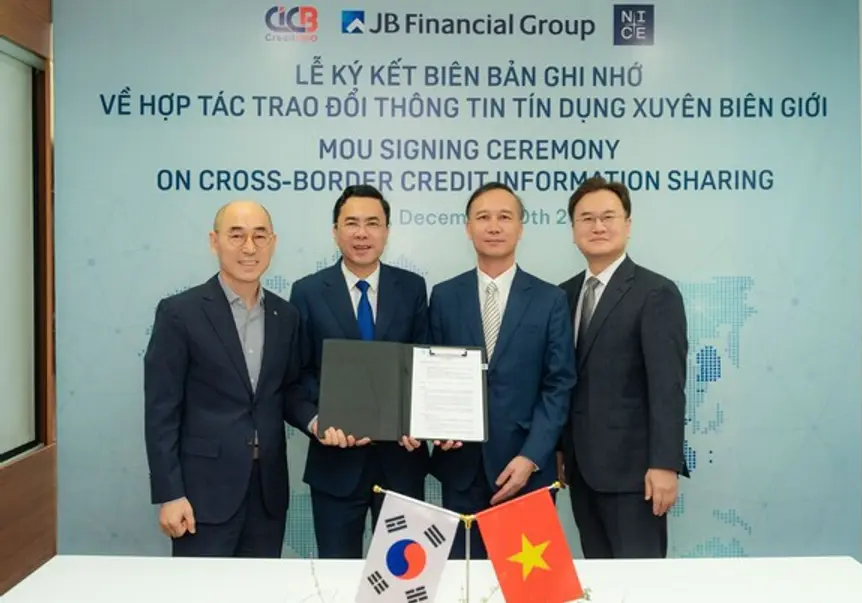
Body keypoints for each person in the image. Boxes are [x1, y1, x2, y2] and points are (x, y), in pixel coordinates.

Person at [143, 200, 317, 558]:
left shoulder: (286, 315)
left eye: (259, 236)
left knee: (261, 586)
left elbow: (286, 391)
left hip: (267, 494)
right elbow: (161, 411)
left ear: (273, 243)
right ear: (214, 241)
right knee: (200, 587)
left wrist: (316, 421)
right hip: (201, 496)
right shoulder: (180, 313)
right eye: (236, 236)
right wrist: (170, 494)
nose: (249, 247)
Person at [428, 182, 576, 560]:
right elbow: (433, 376)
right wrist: (437, 426)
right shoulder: (444, 296)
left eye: (505, 217)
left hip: (527, 471)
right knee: (464, 582)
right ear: (468, 228)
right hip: (462, 470)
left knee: (527, 588)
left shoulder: (550, 299)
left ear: (521, 228)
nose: (494, 226)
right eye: (483, 217)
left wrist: (532, 456)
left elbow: (559, 384)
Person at [289, 184, 430, 559]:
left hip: (401, 464)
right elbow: (295, 377)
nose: (362, 233)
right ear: (335, 231)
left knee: (403, 579)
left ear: (386, 231)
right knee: (336, 577)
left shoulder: (412, 288)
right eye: (351, 223)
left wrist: (421, 421)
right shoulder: (307, 292)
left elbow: (425, 368)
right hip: (334, 465)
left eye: (372, 223)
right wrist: (317, 422)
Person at [557, 176, 689, 559]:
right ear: (574, 231)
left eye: (608, 217)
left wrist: (664, 465)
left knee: (638, 584)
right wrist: (561, 449)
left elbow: (667, 387)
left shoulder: (655, 292)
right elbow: (563, 381)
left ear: (627, 225)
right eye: (587, 218)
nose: (597, 226)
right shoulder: (563, 295)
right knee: (599, 579)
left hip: (636, 476)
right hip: (581, 472)